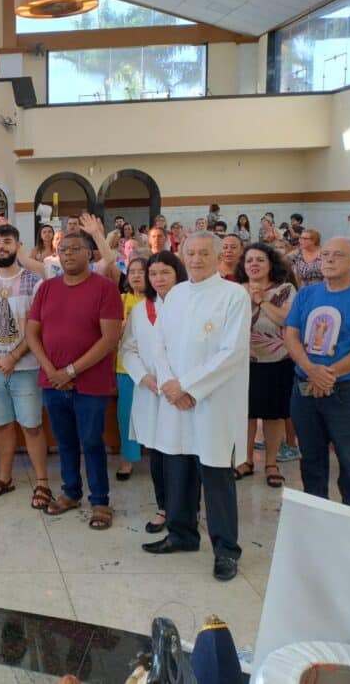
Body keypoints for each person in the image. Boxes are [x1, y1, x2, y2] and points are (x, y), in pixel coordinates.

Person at [144, 231, 250, 583]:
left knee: (216, 475)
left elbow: (232, 352)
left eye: (205, 253)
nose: (197, 259)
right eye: (191, 253)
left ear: (219, 256)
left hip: (213, 401)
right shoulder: (175, 295)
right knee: (178, 470)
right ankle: (182, 534)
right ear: (183, 256)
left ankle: (226, 550)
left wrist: (188, 386)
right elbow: (159, 345)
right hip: (176, 399)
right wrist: (171, 385)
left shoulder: (234, 295)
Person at [27, 232, 124, 529]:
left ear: (90, 253)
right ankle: (70, 493)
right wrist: (52, 371)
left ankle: (100, 501)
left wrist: (69, 371)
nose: (68, 253)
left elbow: (109, 339)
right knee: (64, 441)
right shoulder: (47, 288)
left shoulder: (105, 289)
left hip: (90, 382)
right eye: (63, 249)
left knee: (92, 441)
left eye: (75, 248)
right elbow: (32, 333)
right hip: (52, 382)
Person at [285, 237, 350, 511]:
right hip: (305, 388)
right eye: (326, 254)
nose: (329, 259)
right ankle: (315, 513)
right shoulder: (306, 295)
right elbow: (291, 334)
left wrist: (327, 374)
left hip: (348, 391)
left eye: (338, 255)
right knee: (310, 457)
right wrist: (311, 370)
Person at [0, 224, 50, 508]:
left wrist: (12, 357)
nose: (1, 246)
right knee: (1, 425)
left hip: (25, 368)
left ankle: (42, 483)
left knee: (32, 426)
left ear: (18, 246)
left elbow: (37, 327)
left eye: (7, 241)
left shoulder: (34, 282)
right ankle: (4, 477)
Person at [121, 251, 188, 534]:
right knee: (157, 454)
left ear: (178, 274)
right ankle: (163, 507)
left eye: (165, 272)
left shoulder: (190, 306)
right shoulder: (140, 310)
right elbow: (128, 349)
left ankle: (187, 510)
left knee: (183, 455)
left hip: (183, 393)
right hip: (151, 393)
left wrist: (180, 384)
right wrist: (144, 377)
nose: (158, 279)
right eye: (153, 273)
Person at [233, 242, 297, 489]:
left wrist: (261, 301)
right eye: (249, 260)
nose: (254, 264)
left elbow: (287, 319)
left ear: (271, 264)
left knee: (274, 414)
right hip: (243, 360)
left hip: (277, 360)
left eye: (260, 260)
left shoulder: (285, 290)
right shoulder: (236, 290)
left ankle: (271, 463)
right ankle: (245, 460)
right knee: (245, 412)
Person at [115, 256, 149, 480]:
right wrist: (121, 327)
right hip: (125, 367)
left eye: (141, 271)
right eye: (132, 271)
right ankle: (127, 459)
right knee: (126, 414)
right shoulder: (121, 299)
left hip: (153, 368)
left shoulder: (159, 301)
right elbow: (111, 335)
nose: (136, 275)